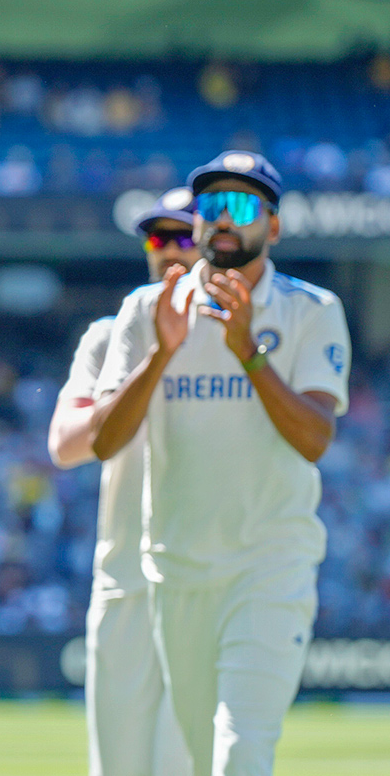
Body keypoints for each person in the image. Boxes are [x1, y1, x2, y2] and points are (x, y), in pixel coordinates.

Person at [91, 151, 350, 776]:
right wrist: (161, 352)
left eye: (240, 206)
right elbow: (104, 442)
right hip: (175, 571)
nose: (222, 222)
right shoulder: (148, 309)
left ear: (275, 226)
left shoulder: (311, 310)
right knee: (201, 759)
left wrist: (249, 355)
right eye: (211, 207)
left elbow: (315, 439)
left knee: (241, 752)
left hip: (269, 567)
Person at [48, 187, 197, 776]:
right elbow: (65, 445)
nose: (168, 251)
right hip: (125, 578)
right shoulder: (109, 336)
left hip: (202, 577)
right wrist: (152, 359)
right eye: (158, 238)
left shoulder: (237, 335)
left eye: (183, 236)